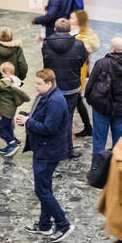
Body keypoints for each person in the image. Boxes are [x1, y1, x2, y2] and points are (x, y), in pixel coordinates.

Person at [17, 68, 72, 242]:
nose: (36, 86)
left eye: (39, 83)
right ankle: (44, 225)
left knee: (41, 191)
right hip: (42, 148)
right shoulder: (46, 96)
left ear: (49, 83)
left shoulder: (55, 101)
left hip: (49, 151)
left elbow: (49, 128)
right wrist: (26, 118)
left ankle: (63, 224)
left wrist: (28, 122)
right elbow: (40, 118)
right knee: (45, 189)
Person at [84, 36, 122, 155]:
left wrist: (91, 100)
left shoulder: (102, 63)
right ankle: (116, 166)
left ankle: (97, 166)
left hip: (101, 108)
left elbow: (90, 86)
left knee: (99, 141)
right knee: (119, 144)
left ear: (112, 48)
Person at [41, 18, 88, 158]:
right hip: (71, 87)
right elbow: (81, 62)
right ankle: (68, 149)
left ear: (55, 29)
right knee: (68, 118)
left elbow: (46, 62)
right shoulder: (79, 44)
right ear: (70, 30)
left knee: (51, 117)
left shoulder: (46, 43)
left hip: (52, 86)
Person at [70, 10, 101, 138]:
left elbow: (92, 48)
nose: (69, 19)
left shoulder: (85, 35)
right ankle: (87, 127)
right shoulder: (70, 30)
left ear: (79, 20)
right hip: (72, 70)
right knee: (77, 100)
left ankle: (87, 127)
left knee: (76, 99)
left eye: (72, 18)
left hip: (78, 70)